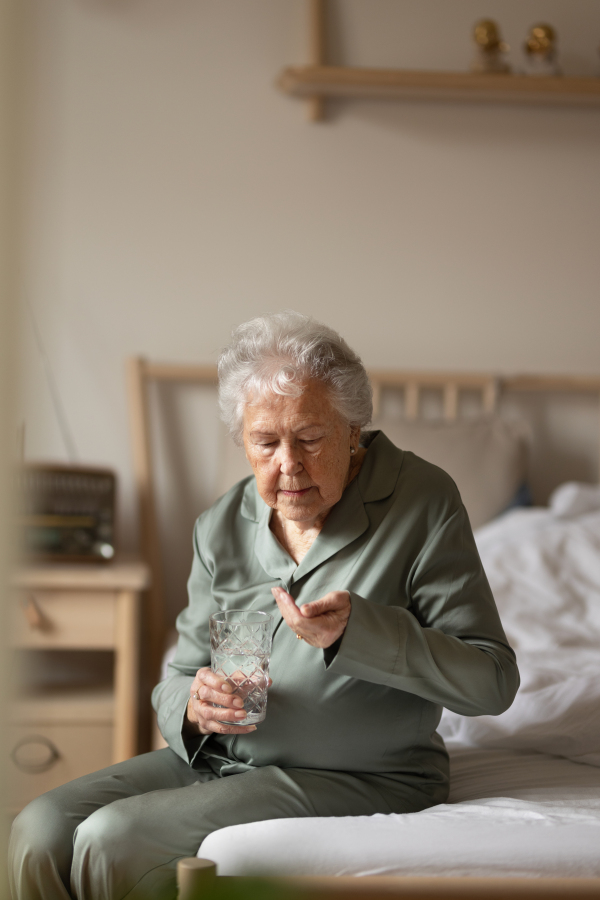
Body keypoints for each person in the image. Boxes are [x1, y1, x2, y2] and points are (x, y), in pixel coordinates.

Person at [9, 311, 519, 900]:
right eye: (265, 442)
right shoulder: (220, 525)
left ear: (353, 430)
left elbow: (493, 681)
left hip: (364, 775)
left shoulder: (423, 501)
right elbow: (178, 674)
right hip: (224, 759)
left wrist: (363, 633)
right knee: (36, 828)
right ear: (242, 440)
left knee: (111, 837)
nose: (288, 464)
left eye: (309, 438)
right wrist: (195, 708)